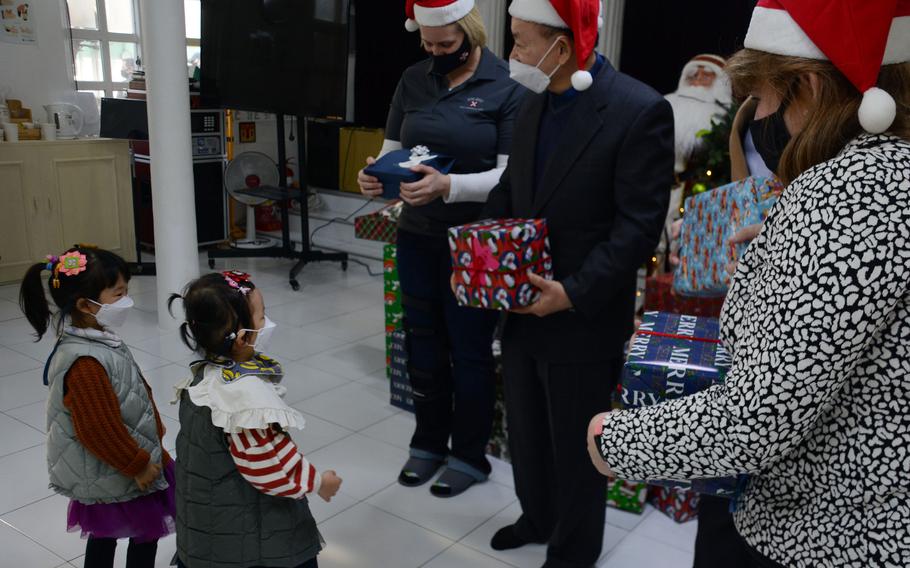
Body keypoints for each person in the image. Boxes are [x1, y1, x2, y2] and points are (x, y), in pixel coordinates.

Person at [589, 1, 910, 566]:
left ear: (807, 85)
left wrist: (616, 440)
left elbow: (761, 415)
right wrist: (781, 247)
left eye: (761, 98)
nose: (759, 115)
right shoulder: (887, 178)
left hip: (826, 533)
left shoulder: (848, 195)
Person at [477, 0, 674, 565]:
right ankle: (537, 517)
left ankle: (574, 549)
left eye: (521, 42)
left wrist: (573, 292)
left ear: (563, 45)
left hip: (581, 317)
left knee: (577, 445)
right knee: (527, 433)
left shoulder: (638, 109)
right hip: (519, 305)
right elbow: (513, 186)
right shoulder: (535, 101)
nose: (511, 54)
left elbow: (638, 227)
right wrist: (478, 245)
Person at [357, 0, 525, 497]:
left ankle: (469, 456)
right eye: (428, 44)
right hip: (417, 235)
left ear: (470, 34)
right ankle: (428, 441)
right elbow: (395, 152)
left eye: (446, 45)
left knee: (469, 350)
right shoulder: (413, 78)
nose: (436, 52)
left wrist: (448, 186)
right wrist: (377, 179)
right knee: (422, 340)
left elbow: (508, 174)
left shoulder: (507, 84)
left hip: (475, 242)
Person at [170, 271, 342, 568]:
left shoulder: (203, 377)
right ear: (242, 338)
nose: (267, 323)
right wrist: (317, 482)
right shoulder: (242, 400)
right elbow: (267, 464)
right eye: (262, 316)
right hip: (247, 534)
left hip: (209, 522)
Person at [20, 246, 174, 568]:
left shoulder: (97, 338)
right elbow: (98, 429)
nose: (127, 300)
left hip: (123, 462)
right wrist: (138, 464)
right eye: (118, 294)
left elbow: (129, 395)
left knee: (116, 536)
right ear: (85, 305)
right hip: (117, 469)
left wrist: (154, 437)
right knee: (134, 535)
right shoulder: (86, 362)